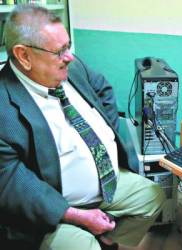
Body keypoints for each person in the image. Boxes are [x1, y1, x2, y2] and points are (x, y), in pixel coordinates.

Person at [0, 4, 165, 250]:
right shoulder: (4, 106)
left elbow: (103, 89)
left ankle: (107, 241)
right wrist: (74, 215)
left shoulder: (71, 65)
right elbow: (13, 184)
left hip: (105, 182)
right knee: (83, 246)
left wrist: (106, 135)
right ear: (24, 56)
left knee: (153, 197)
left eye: (68, 46)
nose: (69, 57)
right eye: (59, 51)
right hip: (54, 205)